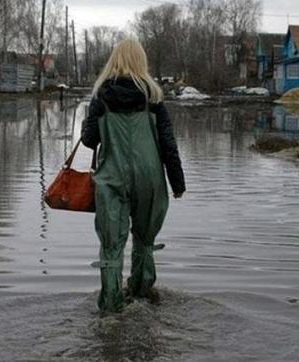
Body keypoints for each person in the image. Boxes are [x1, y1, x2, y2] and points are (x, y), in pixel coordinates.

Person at [81, 39, 186, 313]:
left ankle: (111, 308)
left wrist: (89, 119)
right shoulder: (154, 97)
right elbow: (168, 144)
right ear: (141, 62)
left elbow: (89, 140)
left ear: (113, 61)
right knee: (144, 240)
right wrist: (177, 182)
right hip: (149, 177)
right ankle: (142, 295)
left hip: (111, 178)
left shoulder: (101, 97)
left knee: (112, 246)